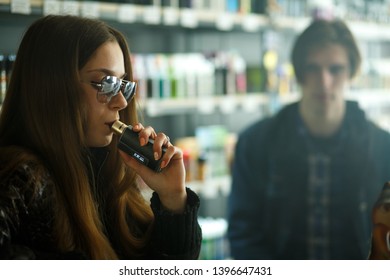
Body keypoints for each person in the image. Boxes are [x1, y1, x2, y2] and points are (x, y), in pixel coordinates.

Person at [0, 15, 202, 260]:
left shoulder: (107, 170)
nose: (120, 102)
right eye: (105, 83)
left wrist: (173, 198)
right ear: (52, 86)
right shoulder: (19, 177)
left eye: (123, 85)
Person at [227, 18, 390, 259]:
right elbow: (244, 233)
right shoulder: (256, 143)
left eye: (335, 69)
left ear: (351, 72)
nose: (324, 82)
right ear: (299, 71)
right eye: (312, 68)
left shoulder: (383, 148)